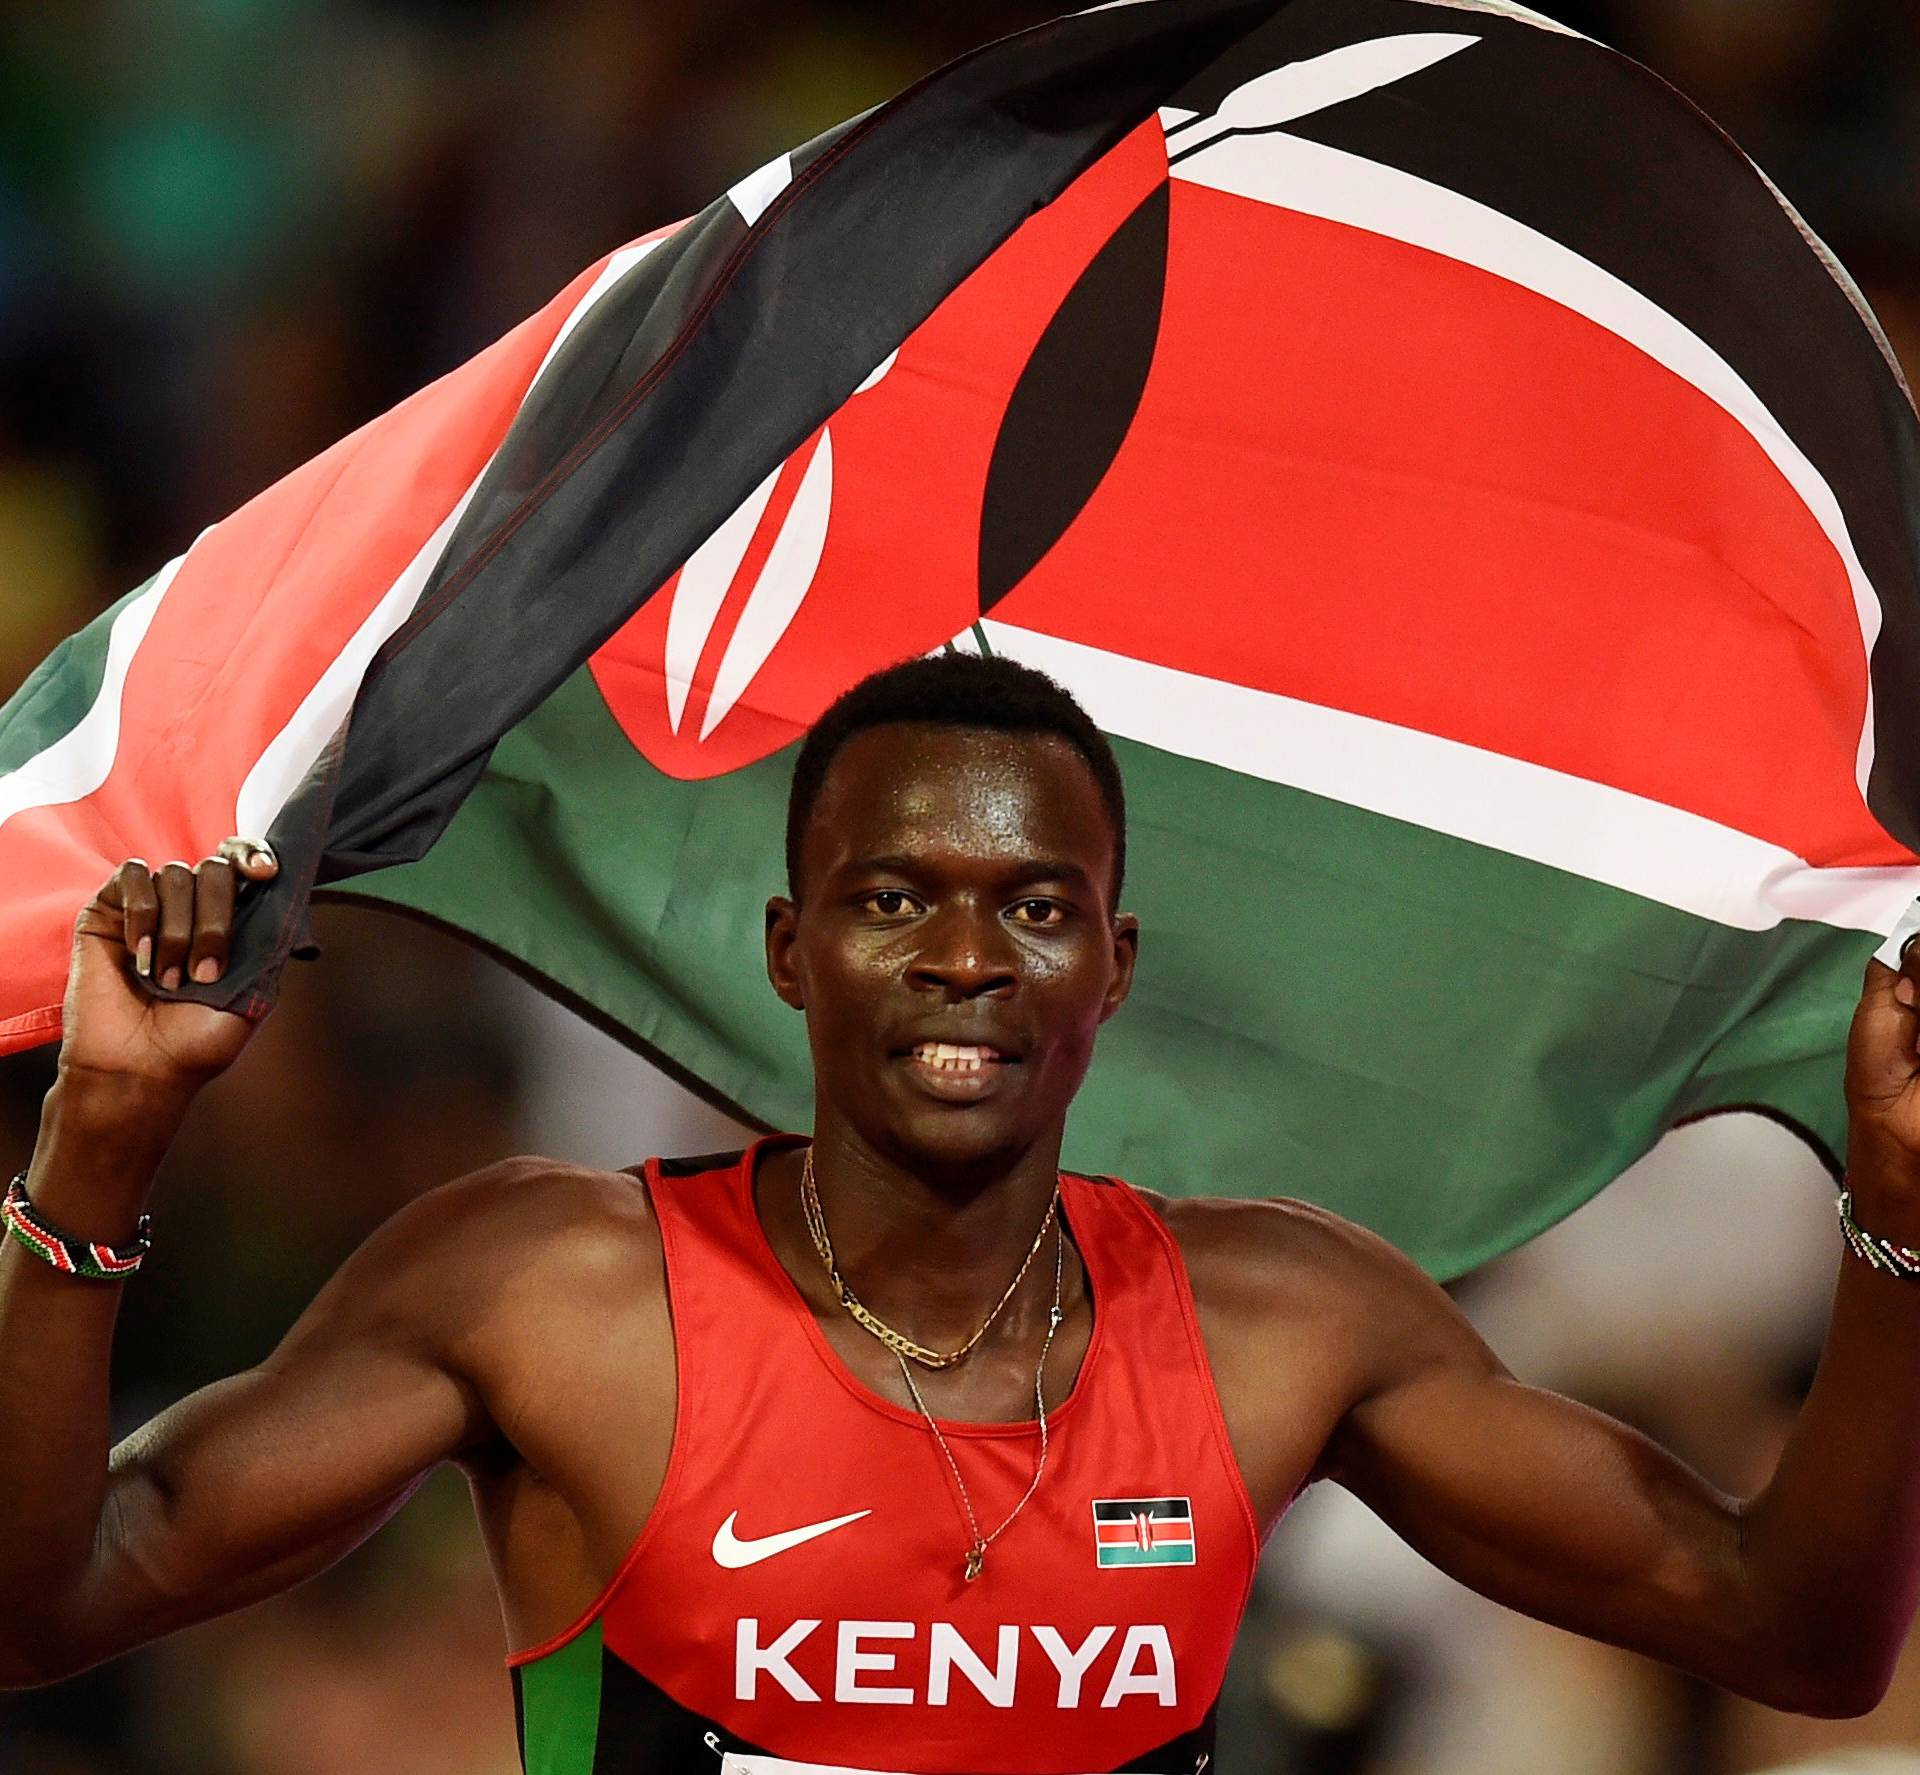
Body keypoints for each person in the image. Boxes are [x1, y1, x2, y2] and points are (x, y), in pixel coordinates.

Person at [2, 652, 1918, 1775]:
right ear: (788, 949)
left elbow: (1802, 1638)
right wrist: (97, 1140)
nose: (963, 958)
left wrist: (1900, 1222)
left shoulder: (1282, 1324)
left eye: (1036, 908)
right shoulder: (557, 1292)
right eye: (890, 896)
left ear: (1115, 964)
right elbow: (44, 1602)